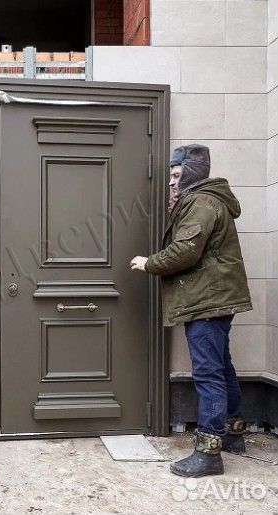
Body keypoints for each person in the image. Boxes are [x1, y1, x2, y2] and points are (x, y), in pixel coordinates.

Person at [130, 144, 252, 478]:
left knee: (208, 373)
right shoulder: (206, 200)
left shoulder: (201, 202)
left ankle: (209, 452)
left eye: (175, 175)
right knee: (221, 367)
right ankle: (233, 433)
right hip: (216, 299)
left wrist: (149, 263)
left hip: (207, 303)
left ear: (191, 171)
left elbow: (185, 250)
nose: (171, 182)